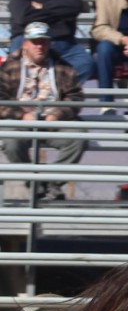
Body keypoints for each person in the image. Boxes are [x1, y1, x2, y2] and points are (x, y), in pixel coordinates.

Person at [0, 22, 87, 202]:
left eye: (44, 42)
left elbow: (76, 98)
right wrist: (21, 115)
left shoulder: (63, 67)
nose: (40, 46)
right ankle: (34, 182)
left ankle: (51, 183)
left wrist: (56, 114)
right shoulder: (8, 68)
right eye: (35, 41)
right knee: (11, 142)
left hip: (53, 123)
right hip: (21, 123)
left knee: (77, 138)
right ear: (25, 43)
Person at [8, 0, 95, 83]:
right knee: (14, 69)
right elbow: (22, 15)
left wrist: (43, 7)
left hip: (64, 44)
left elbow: (75, 6)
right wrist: (58, 13)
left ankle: (52, 89)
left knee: (86, 65)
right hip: (29, 40)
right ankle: (43, 88)